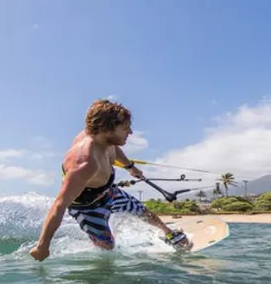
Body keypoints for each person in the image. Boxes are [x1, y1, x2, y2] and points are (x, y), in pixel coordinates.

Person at [29, 99, 191, 261]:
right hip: (88, 208)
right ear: (107, 128)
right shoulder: (85, 163)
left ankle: (168, 233)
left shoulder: (106, 140)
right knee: (108, 248)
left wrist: (130, 167)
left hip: (109, 192)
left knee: (144, 212)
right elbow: (59, 205)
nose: (131, 132)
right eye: (126, 128)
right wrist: (43, 246)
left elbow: (115, 149)